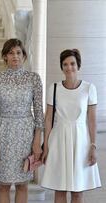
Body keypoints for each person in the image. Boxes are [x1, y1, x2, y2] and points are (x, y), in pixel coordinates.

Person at [40, 49, 101, 203]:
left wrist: (93, 145)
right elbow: (48, 119)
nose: (69, 67)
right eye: (65, 64)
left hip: (81, 141)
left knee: (78, 191)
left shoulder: (89, 88)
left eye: (72, 63)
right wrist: (45, 145)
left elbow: (92, 120)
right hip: (58, 139)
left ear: (78, 65)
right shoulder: (53, 88)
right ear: (61, 67)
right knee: (59, 189)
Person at [0, 38, 44, 203]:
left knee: (22, 184)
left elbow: (39, 111)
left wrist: (37, 140)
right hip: (3, 133)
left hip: (26, 133)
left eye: (18, 52)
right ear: (5, 56)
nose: (15, 56)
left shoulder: (33, 78)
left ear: (24, 56)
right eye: (11, 53)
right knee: (3, 184)